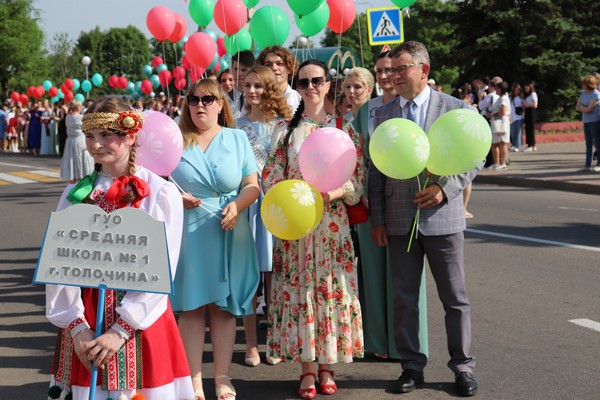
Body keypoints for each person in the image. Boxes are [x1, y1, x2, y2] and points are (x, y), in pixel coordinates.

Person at [45, 96, 194, 399]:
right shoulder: (76, 193)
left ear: (130, 137)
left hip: (142, 322)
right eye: (90, 136)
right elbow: (59, 265)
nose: (96, 145)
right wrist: (76, 327)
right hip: (86, 316)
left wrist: (121, 330)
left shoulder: (160, 193)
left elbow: (162, 268)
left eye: (105, 135)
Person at [369, 41, 481, 397]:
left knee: (454, 297)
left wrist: (444, 190)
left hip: (444, 219)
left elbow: (475, 158)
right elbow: (376, 171)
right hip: (399, 220)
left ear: (424, 71)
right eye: (390, 70)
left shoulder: (455, 109)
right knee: (403, 298)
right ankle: (411, 367)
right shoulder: (382, 114)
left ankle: (462, 368)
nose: (394, 76)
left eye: (402, 69)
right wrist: (378, 219)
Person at [263, 59, 365, 399]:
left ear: (327, 83)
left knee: (329, 292)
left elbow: (358, 180)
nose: (311, 87)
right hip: (297, 228)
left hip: (332, 227)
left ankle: (327, 365)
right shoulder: (286, 131)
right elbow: (270, 176)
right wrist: (298, 195)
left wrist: (334, 192)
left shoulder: (344, 130)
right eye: (304, 81)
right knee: (300, 292)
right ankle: (307, 369)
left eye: (317, 80)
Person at [170, 78, 260, 400]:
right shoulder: (175, 140)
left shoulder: (237, 138)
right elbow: (156, 183)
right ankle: (193, 382)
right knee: (191, 307)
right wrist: (175, 199)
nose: (200, 106)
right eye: (194, 100)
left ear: (222, 104)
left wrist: (237, 205)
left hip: (228, 228)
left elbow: (252, 185)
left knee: (224, 309)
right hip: (188, 232)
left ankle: (223, 378)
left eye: (208, 100)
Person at [236, 65, 292, 367]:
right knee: (248, 278)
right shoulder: (236, 125)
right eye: (248, 85)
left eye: (258, 85)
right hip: (248, 206)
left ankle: (275, 342)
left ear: (270, 88)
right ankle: (251, 345)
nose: (252, 91)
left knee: (275, 277)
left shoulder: (284, 125)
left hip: (278, 207)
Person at [351, 50, 403, 360]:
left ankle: (403, 345)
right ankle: (378, 343)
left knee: (401, 273)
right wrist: (360, 190)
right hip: (369, 195)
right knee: (371, 272)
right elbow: (356, 155)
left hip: (402, 197)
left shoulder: (409, 107)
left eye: (389, 70)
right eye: (380, 71)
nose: (384, 76)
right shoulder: (365, 111)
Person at [257, 45, 302, 113]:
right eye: (268, 64)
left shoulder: (299, 100)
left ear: (289, 68)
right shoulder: (255, 99)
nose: (274, 68)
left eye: (280, 64)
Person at [60, 99, 94, 183]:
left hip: (70, 140)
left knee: (72, 161)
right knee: (81, 160)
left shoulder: (68, 117)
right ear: (77, 107)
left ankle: (73, 181)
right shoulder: (81, 117)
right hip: (80, 139)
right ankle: (81, 179)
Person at [575, 74, 600, 172]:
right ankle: (587, 164)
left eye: (583, 83)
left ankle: (599, 164)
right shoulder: (583, 93)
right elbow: (577, 107)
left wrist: (583, 108)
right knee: (588, 143)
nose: (582, 85)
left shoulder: (596, 94)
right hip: (586, 121)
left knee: (597, 143)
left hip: (595, 120)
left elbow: (589, 109)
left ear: (588, 84)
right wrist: (584, 108)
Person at [488, 81, 511, 170]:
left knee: (502, 143)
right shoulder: (500, 98)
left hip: (501, 123)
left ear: (500, 89)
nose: (495, 90)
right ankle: (496, 163)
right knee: (494, 144)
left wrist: (492, 115)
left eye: (497, 88)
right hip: (497, 123)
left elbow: (503, 112)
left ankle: (503, 163)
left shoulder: (503, 98)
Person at [230, 50, 256, 118]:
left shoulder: (258, 98)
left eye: (243, 70)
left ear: (252, 71)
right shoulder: (224, 97)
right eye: (236, 69)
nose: (239, 74)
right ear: (231, 69)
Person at [523, 82, 538, 151]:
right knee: (528, 129)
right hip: (527, 112)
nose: (526, 89)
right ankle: (531, 144)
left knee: (531, 129)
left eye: (527, 88)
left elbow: (534, 104)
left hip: (531, 111)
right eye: (525, 88)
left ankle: (531, 145)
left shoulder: (533, 94)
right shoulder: (527, 95)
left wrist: (527, 104)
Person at [509, 83, 525, 151]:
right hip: (512, 117)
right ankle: (513, 144)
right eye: (515, 90)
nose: (516, 92)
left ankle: (517, 146)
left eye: (518, 90)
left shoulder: (521, 98)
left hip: (519, 117)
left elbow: (524, 107)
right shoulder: (511, 98)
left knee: (518, 132)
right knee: (512, 132)